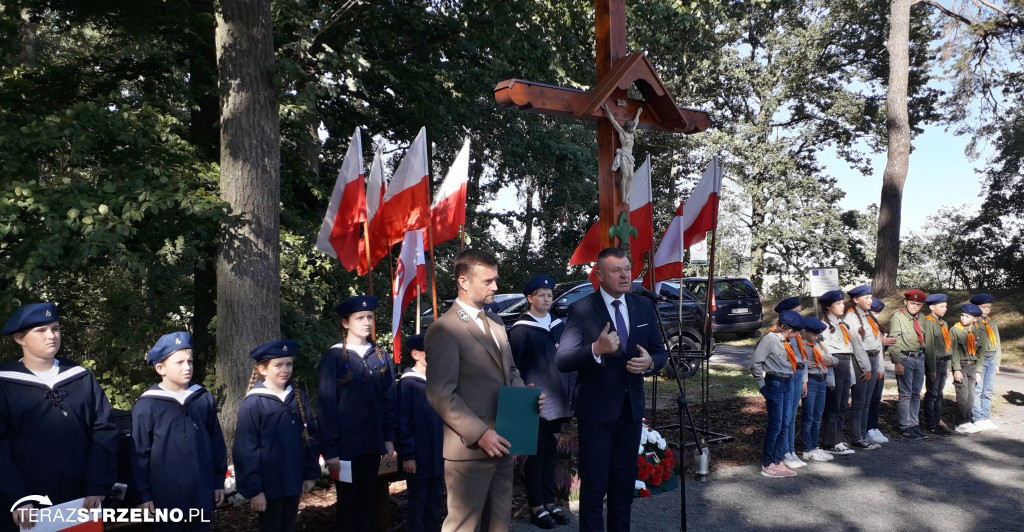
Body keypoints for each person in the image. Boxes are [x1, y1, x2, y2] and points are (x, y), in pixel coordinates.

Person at [425, 249, 543, 532]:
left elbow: (510, 371)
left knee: (499, 525)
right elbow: (441, 394)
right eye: (488, 281)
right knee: (463, 527)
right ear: (464, 282)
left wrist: (524, 399)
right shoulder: (445, 329)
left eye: (495, 279)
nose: (496, 287)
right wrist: (481, 434)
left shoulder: (496, 323)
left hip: (502, 441)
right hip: (470, 450)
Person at [555, 247, 667, 531]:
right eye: (616, 270)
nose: (625, 274)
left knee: (622, 490)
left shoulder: (642, 306)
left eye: (627, 268)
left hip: (630, 412)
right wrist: (595, 349)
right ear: (600, 275)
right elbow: (563, 360)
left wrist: (650, 362)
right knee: (594, 491)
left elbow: (659, 352)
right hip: (596, 414)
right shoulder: (582, 309)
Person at [1, 303, 118, 532]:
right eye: (41, 330)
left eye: (55, 328)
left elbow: (103, 430)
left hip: (81, 500)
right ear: (19, 338)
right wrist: (17, 497)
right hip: (28, 507)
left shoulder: (80, 377)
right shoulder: (5, 384)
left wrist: (97, 484)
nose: (51, 336)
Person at [131, 331, 227, 531]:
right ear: (160, 368)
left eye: (190, 361)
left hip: (200, 494)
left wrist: (218, 481)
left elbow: (217, 443)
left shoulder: (202, 399)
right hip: (165, 498)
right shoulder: (147, 405)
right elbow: (139, 454)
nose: (187, 367)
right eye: (179, 362)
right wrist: (144, 495)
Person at [317, 295, 396, 532]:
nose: (366, 322)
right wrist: (331, 448)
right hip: (345, 447)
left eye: (370, 317)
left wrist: (389, 436)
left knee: (368, 500)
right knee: (349, 503)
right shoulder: (333, 358)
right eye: (359, 317)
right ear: (345, 323)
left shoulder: (379, 356)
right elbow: (327, 406)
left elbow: (389, 399)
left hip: (372, 444)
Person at [233, 340, 320, 532]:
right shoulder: (254, 403)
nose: (285, 369)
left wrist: (310, 474)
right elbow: (245, 451)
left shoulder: (297, 396)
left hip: (293, 480)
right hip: (268, 486)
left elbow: (310, 438)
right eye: (278, 365)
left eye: (289, 364)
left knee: (288, 525)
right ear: (263, 369)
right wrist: (255, 491)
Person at [509, 275, 572, 529]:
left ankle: (549, 501)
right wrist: (522, 396)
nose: (546, 299)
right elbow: (514, 367)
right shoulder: (521, 329)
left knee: (551, 452)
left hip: (557, 398)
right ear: (529, 298)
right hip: (534, 400)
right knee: (535, 454)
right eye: (541, 294)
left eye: (549, 294)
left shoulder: (558, 325)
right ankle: (536, 506)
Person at [396, 334, 444, 532]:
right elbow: (402, 422)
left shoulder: (437, 381)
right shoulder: (408, 384)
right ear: (416, 354)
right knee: (418, 501)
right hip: (418, 456)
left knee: (435, 501)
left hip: (437, 454)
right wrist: (408, 455)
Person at [749, 311, 803, 477]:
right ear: (788, 329)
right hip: (775, 383)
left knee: (785, 424)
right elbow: (755, 362)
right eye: (796, 332)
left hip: (786, 382)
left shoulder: (785, 341)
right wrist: (762, 385)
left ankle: (778, 460)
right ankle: (768, 463)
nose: (797, 335)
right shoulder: (770, 339)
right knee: (776, 424)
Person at [818, 290, 870, 455]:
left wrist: (851, 374)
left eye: (842, 303)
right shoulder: (825, 326)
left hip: (846, 363)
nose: (842, 306)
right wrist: (830, 376)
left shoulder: (842, 324)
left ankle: (837, 440)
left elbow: (850, 348)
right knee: (833, 405)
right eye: (838, 303)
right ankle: (829, 442)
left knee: (842, 405)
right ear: (828, 306)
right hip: (835, 364)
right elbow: (824, 349)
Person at [844, 285, 893, 446]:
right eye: (866, 298)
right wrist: (867, 368)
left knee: (867, 401)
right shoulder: (851, 318)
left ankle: (864, 435)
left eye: (870, 297)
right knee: (859, 402)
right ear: (855, 300)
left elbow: (878, 343)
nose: (870, 301)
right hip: (861, 362)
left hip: (872, 360)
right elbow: (857, 345)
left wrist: (879, 367)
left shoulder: (869, 317)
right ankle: (857, 437)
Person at [888, 289, 930, 440]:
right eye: (912, 303)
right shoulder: (898, 317)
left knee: (916, 393)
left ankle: (913, 423)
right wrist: (897, 361)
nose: (914, 307)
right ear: (906, 302)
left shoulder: (922, 317)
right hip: (905, 358)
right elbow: (894, 340)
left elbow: (924, 338)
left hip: (919, 358)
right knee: (905, 394)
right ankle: (904, 426)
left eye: (918, 304)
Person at [799, 317, 837, 463]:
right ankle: (808, 448)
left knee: (818, 416)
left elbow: (833, 358)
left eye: (817, 334)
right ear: (804, 332)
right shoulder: (802, 344)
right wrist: (805, 364)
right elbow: (798, 361)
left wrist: (831, 361)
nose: (815, 337)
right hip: (811, 381)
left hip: (822, 380)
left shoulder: (820, 344)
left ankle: (814, 445)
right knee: (809, 416)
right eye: (812, 334)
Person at [777, 296, 808, 471]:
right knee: (786, 416)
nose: (800, 314)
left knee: (792, 415)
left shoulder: (798, 333)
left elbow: (803, 357)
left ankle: (790, 449)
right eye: (797, 311)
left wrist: (804, 379)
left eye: (800, 311)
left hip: (798, 374)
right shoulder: (781, 334)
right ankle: (784, 451)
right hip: (788, 375)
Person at [950, 304, 985, 434]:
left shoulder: (980, 331)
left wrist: (979, 370)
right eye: (962, 315)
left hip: (973, 366)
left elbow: (981, 352)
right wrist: (956, 369)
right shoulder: (956, 330)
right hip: (962, 366)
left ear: (975, 319)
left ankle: (967, 420)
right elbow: (953, 351)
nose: (963, 318)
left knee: (971, 396)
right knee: (962, 396)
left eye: (967, 316)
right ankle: (960, 423)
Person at [922, 294, 953, 435]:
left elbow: (947, 347)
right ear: (932, 307)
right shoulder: (929, 323)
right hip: (934, 364)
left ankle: (937, 421)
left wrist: (948, 366)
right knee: (932, 393)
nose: (944, 309)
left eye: (945, 306)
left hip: (943, 362)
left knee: (939, 394)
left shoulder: (943, 323)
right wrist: (931, 369)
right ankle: (931, 424)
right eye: (941, 306)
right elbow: (929, 347)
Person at [969, 293, 1002, 431]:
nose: (987, 310)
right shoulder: (973, 323)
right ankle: (978, 417)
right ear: (976, 307)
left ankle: (986, 416)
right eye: (983, 307)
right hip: (979, 360)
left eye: (988, 307)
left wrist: (998, 362)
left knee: (988, 390)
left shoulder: (991, 322)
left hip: (991, 358)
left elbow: (998, 342)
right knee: (977, 389)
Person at [602, 103, 643, 205]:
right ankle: (623, 196)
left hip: (630, 157)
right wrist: (607, 110)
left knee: (631, 176)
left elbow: (636, 121)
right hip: (623, 155)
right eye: (630, 128)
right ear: (627, 127)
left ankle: (627, 195)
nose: (632, 129)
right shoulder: (622, 132)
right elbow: (614, 121)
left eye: (633, 128)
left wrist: (638, 113)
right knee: (625, 174)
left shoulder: (632, 132)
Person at [865, 296, 894, 440]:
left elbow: (880, 351)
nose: (876, 316)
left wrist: (885, 343)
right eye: (874, 313)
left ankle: (874, 427)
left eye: (877, 314)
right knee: (868, 400)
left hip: (878, 365)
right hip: (868, 367)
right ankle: (867, 428)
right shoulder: (863, 326)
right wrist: (883, 342)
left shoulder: (877, 326)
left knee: (876, 399)